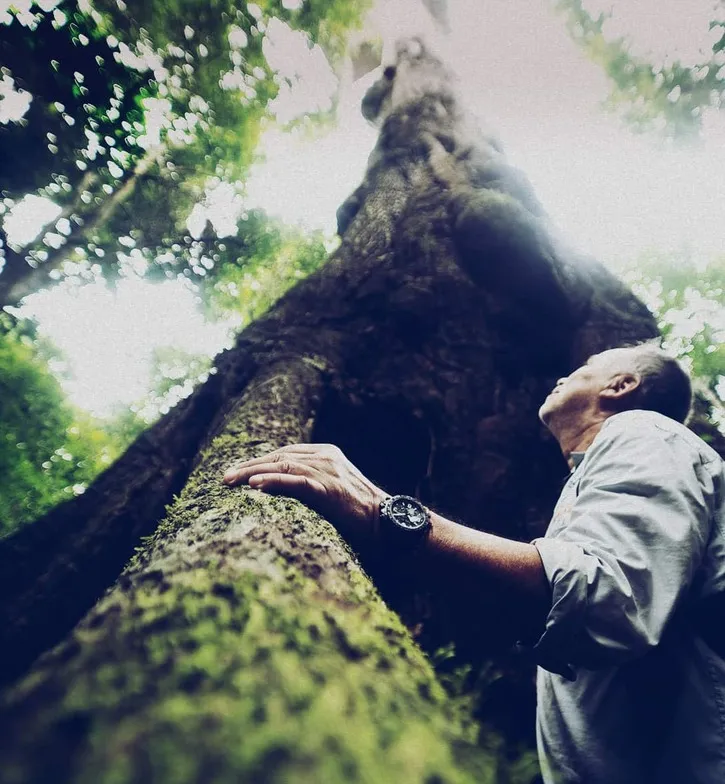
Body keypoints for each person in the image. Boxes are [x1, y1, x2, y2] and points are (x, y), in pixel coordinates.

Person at [222, 344, 725, 783]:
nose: (563, 374)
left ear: (622, 384)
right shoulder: (597, 476)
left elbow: (609, 599)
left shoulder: (644, 432)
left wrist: (383, 516)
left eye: (589, 365)